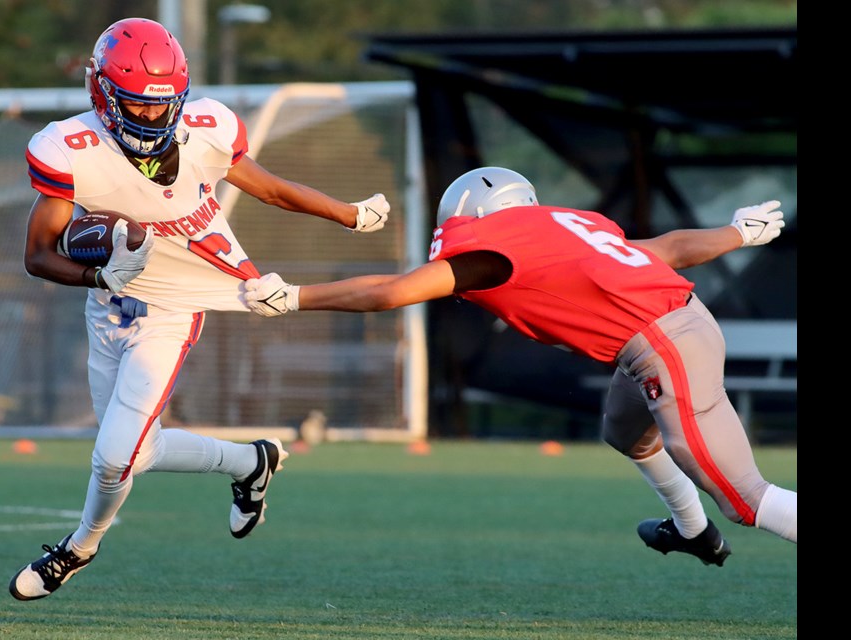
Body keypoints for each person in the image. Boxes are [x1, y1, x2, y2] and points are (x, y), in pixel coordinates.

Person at [9, 17, 391, 601]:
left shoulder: (206, 128)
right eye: (136, 106)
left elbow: (270, 188)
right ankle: (250, 462)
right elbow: (37, 255)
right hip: (110, 307)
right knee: (141, 449)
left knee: (114, 457)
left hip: (175, 308)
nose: (152, 118)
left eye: (162, 107)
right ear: (102, 93)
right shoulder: (69, 148)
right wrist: (99, 274)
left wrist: (348, 213)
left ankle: (78, 548)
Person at [243, 166, 797, 565]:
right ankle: (691, 531)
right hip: (681, 324)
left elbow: (390, 292)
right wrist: (737, 232)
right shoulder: (568, 227)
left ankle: (709, 522)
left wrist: (295, 296)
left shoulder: (491, 247)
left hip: (663, 346)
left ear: (471, 215)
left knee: (745, 498)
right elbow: (670, 248)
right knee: (626, 431)